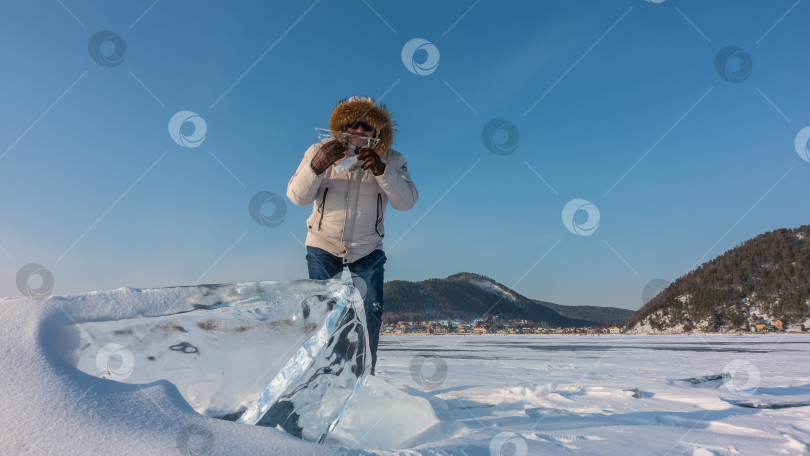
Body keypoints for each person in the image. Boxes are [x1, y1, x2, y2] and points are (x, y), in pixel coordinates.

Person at [287, 96, 418, 375]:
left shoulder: (393, 159)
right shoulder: (319, 150)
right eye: (352, 125)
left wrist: (383, 172)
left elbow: (407, 202)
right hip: (323, 242)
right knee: (321, 310)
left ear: (378, 131)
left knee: (370, 311)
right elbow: (297, 197)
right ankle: (317, 372)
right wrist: (317, 166)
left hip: (368, 248)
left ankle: (364, 373)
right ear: (342, 127)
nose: (359, 131)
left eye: (367, 126)